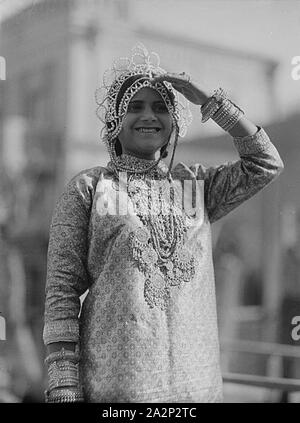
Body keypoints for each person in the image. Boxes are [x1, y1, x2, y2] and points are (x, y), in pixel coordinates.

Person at [42, 44, 284, 403]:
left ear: (174, 121)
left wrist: (211, 103)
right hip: (118, 390)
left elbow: (265, 162)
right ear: (114, 120)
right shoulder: (90, 188)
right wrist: (64, 388)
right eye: (134, 107)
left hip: (196, 388)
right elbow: (61, 293)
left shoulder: (197, 185)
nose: (149, 116)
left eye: (160, 107)